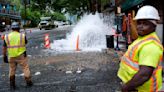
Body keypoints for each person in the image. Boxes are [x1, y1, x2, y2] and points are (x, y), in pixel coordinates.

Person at [117, 5, 163, 92]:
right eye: (139, 23)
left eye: (145, 23)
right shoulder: (143, 37)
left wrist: (126, 87)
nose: (140, 26)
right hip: (135, 86)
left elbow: (144, 75)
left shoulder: (151, 46)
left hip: (141, 89)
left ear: (154, 26)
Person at [2, 22, 33, 90]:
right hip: (21, 55)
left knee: (12, 69)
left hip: (11, 56)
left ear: (12, 28)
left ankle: (12, 84)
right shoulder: (22, 35)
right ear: (18, 28)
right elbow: (26, 42)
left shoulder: (6, 36)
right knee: (25, 68)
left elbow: (4, 47)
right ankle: (28, 82)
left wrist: (4, 56)